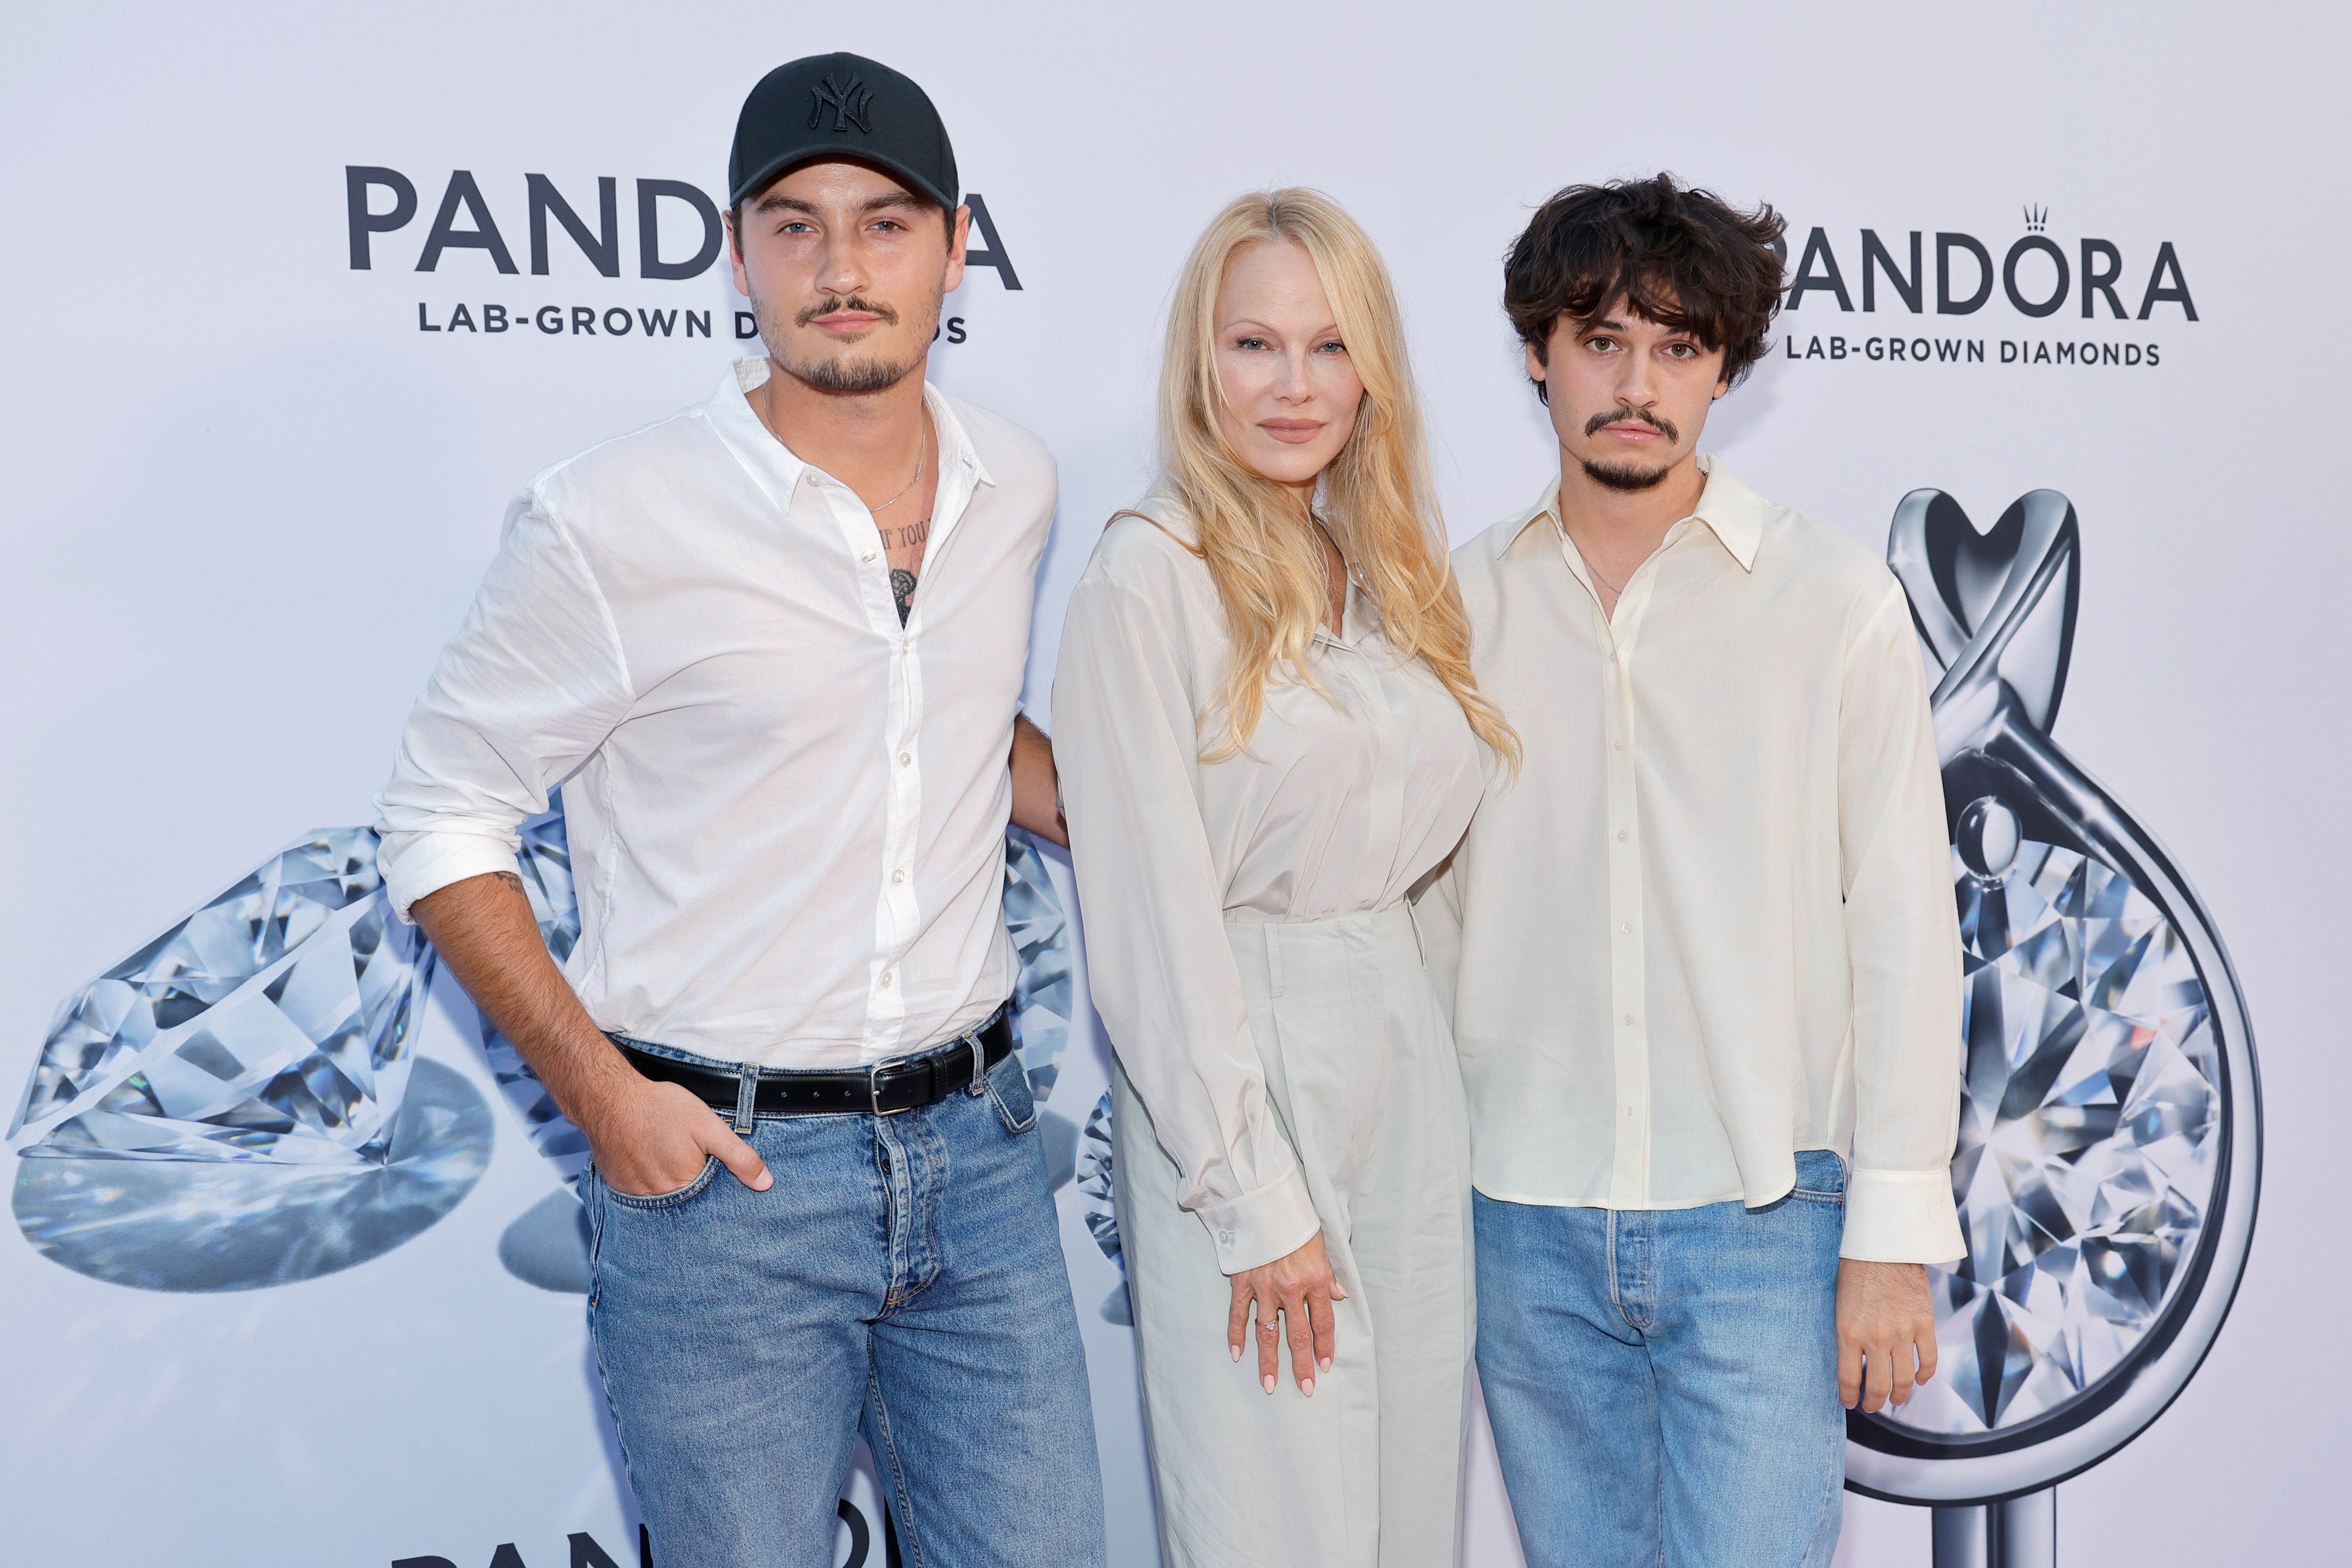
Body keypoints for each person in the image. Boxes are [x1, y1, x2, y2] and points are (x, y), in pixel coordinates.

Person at [375, 53, 1106, 1568]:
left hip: (981, 1158)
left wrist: (1167, 814)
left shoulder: (1014, 483)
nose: (842, 269)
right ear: (737, 250)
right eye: (797, 225)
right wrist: (605, 1107)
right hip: (726, 1191)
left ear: (956, 246)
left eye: (885, 224)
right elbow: (444, 823)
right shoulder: (612, 517)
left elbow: (962, 722)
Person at [1425, 174, 1966, 1566]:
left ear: (1724, 368)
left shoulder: (1832, 601)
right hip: (1518, 1220)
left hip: (1765, 1224)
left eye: (1676, 347)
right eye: (1601, 339)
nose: (1636, 383)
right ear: (1536, 350)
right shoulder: (1448, 609)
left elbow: (1906, 930)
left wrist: (1891, 1237)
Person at [1054, 189, 1518, 1568]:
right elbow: (1148, 922)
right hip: (1241, 1063)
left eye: (1329, 346)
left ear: (1373, 365)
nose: (1294, 385)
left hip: (1405, 1068)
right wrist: (1247, 1196)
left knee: (1403, 1516)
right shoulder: (1147, 579)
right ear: (1201, 363)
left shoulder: (1388, 576)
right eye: (1255, 344)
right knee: (1278, 1521)